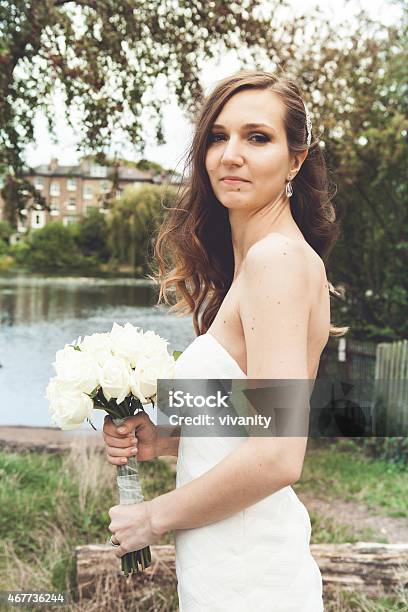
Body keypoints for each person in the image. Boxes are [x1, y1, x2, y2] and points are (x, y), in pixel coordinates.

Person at [105, 69, 349, 611]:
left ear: (296, 158)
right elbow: (259, 417)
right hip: (225, 562)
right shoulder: (262, 261)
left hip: (250, 576)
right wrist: (166, 439)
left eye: (257, 137)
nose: (230, 154)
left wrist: (151, 518)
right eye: (218, 136)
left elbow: (280, 454)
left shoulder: (276, 259)